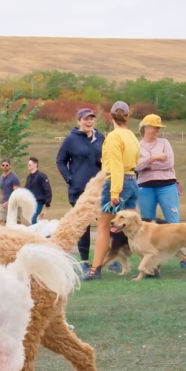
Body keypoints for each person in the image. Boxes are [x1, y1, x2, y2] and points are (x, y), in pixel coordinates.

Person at [87, 101, 140, 280]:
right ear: (128, 116)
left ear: (110, 115)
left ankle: (95, 270)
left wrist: (115, 193)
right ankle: (150, 266)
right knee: (134, 227)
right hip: (133, 180)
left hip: (117, 183)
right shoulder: (132, 136)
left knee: (103, 227)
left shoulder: (113, 137)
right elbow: (136, 159)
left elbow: (116, 166)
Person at [56, 108, 104, 271]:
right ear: (79, 121)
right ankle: (84, 262)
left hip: (99, 189)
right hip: (80, 189)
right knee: (83, 226)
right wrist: (70, 179)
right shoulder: (71, 139)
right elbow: (60, 160)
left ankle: (108, 260)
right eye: (86, 119)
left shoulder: (100, 137)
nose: (89, 121)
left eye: (91, 119)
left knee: (105, 223)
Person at [134, 114, 179, 224]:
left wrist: (147, 166)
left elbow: (169, 163)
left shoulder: (164, 143)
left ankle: (176, 241)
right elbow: (136, 166)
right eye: (155, 127)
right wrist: (153, 158)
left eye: (159, 127)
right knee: (147, 222)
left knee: (173, 220)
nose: (158, 130)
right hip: (145, 186)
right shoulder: (137, 146)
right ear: (146, 127)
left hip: (167, 185)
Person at [25, 158, 52, 224]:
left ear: (35, 164)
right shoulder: (29, 177)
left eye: (30, 164)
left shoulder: (41, 176)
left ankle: (38, 232)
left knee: (34, 219)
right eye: (28, 165)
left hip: (39, 201)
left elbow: (47, 189)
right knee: (32, 219)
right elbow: (26, 189)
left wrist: (47, 201)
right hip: (31, 202)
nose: (28, 166)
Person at [0, 159, 21, 225]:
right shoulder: (0, 178)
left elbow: (16, 193)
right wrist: (1, 202)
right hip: (3, 204)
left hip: (13, 204)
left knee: (15, 224)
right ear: (1, 166)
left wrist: (8, 202)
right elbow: (1, 191)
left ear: (10, 166)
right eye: (3, 165)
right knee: (0, 222)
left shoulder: (14, 177)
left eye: (7, 165)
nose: (5, 166)